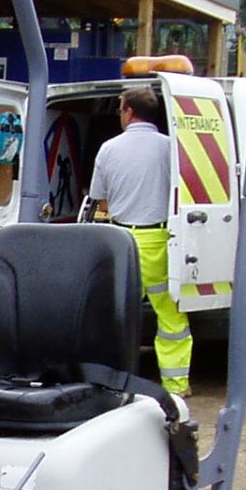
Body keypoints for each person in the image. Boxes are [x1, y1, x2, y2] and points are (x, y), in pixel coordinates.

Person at [89, 87, 190, 397]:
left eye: (120, 109)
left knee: (116, 315)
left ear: (129, 112)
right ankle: (176, 385)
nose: (120, 114)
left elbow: (98, 199)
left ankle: (112, 382)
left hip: (120, 240)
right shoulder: (171, 148)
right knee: (171, 315)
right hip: (160, 239)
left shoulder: (108, 149)